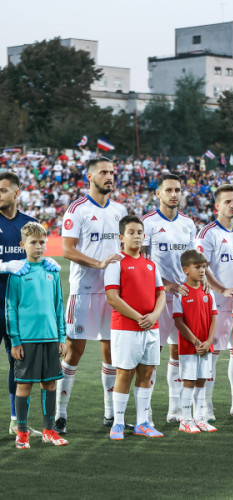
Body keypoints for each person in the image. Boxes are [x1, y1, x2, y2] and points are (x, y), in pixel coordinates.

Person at [55, 157, 127, 434]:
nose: (110, 176)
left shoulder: (120, 209)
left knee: (111, 352)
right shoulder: (77, 210)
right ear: (90, 176)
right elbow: (67, 249)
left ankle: (110, 415)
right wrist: (98, 264)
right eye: (104, 172)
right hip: (84, 291)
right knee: (74, 352)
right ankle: (60, 415)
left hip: (113, 293)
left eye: (112, 172)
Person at [0, 171, 61, 436]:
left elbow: (36, 258)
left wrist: (43, 261)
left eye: (3, 190)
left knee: (18, 365)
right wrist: (5, 266)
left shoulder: (30, 223)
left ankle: (16, 422)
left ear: (16, 193)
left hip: (20, 312)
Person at [6, 222, 68, 449]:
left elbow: (58, 306)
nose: (39, 247)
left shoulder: (52, 271)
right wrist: (15, 341)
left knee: (50, 384)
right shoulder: (17, 273)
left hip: (51, 339)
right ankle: (21, 433)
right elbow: (11, 308)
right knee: (23, 385)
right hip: (27, 341)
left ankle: (48, 430)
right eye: (34, 243)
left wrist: (62, 337)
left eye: (42, 242)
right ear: (23, 244)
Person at [104, 215, 166, 440]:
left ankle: (142, 423)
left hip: (152, 326)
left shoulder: (150, 264)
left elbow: (161, 294)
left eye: (140, 232)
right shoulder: (116, 263)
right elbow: (112, 297)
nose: (136, 236)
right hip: (125, 327)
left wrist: (155, 315)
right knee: (124, 373)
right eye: (131, 232)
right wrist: (140, 317)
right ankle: (118, 423)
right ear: (121, 237)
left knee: (147, 373)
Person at [142, 174, 197, 424]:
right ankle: (146, 413)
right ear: (158, 194)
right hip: (158, 297)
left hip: (183, 297)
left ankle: (175, 409)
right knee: (153, 355)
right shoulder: (148, 223)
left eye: (177, 190)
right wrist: (167, 284)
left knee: (179, 353)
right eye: (168, 190)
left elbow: (192, 260)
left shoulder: (188, 224)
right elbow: (142, 263)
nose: (174, 194)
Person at [195, 184, 233, 418]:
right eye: (227, 202)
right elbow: (202, 266)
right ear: (217, 206)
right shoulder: (207, 233)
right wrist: (222, 289)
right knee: (212, 354)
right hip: (217, 303)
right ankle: (206, 406)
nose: (232, 205)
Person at [173, 250, 218, 433]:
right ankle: (185, 420)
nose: (202, 270)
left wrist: (208, 342)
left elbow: (214, 317)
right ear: (185, 269)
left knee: (201, 381)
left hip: (206, 347)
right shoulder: (180, 293)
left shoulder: (208, 291)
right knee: (189, 382)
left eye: (204, 267)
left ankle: (199, 418)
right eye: (197, 267)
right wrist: (196, 342)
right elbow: (178, 321)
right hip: (188, 347)